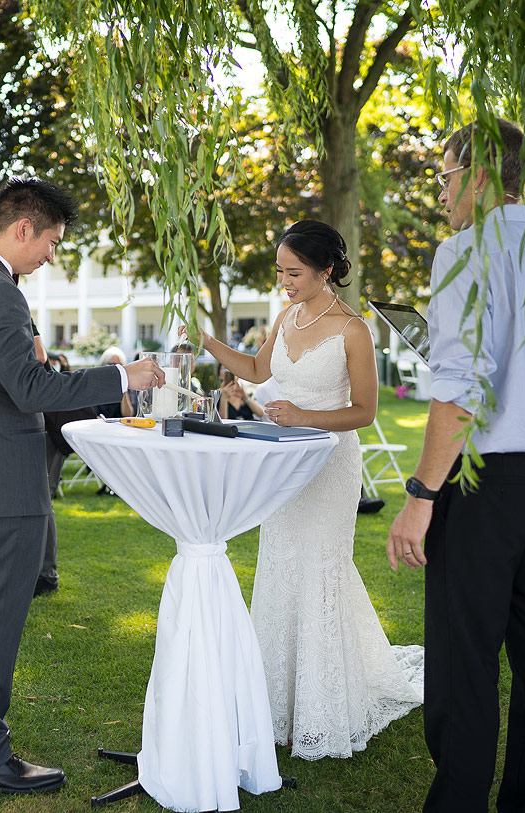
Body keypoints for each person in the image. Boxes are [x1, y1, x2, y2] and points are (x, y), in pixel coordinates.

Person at [386, 119, 525, 812]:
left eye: (448, 177)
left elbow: (460, 386)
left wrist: (421, 494)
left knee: (464, 657)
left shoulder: (463, 253)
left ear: (479, 175)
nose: (443, 192)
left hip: (482, 479)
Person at [0, 177, 163, 794]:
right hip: (4, 486)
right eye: (52, 243)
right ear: (22, 228)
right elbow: (29, 390)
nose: (52, 258)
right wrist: (119, 377)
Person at [185, 220, 423, 762]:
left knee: (320, 570)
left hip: (329, 464)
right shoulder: (286, 316)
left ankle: (323, 709)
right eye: (280, 272)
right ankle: (276, 703)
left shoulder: (353, 330)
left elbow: (365, 410)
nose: (284, 282)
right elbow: (255, 368)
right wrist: (204, 339)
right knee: (280, 568)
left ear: (326, 271)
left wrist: (302, 415)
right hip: (284, 466)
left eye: (293, 272)